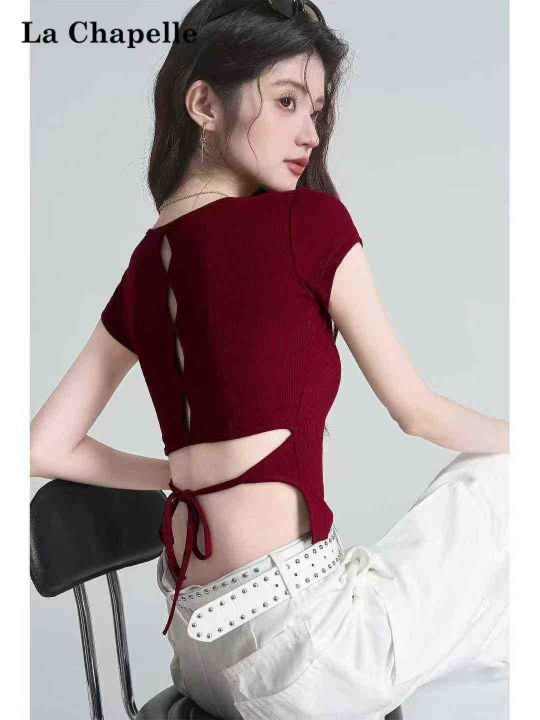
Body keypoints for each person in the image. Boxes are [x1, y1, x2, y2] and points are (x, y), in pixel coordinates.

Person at [30, 1, 509, 718]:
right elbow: (418, 413)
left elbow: (43, 447)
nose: (310, 132)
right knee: (511, 483)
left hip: (198, 655)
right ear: (203, 104)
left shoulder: (145, 266)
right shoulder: (305, 223)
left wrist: (182, 475)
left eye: (316, 110)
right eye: (286, 101)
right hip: (300, 656)